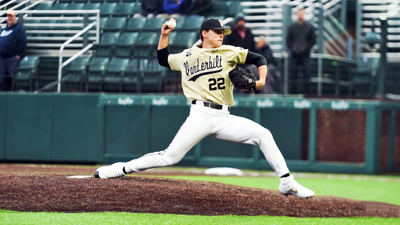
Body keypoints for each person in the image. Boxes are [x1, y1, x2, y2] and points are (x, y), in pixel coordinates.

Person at [94, 18, 314, 199]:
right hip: (199, 114)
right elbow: (163, 60)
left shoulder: (229, 51)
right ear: (204, 33)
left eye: (222, 32)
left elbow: (259, 58)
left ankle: (287, 182)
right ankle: (120, 169)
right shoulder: (187, 56)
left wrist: (261, 81)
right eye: (217, 32)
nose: (221, 35)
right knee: (170, 157)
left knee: (263, 134)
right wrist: (164, 35)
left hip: (224, 116)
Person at [285, 7, 316, 94]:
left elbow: (313, 40)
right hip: (294, 54)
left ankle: (307, 93)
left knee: (307, 73)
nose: (300, 15)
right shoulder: (291, 27)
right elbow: (288, 40)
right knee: (293, 74)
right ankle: (292, 93)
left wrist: (306, 49)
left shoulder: (310, 27)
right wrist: (293, 49)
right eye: (299, 13)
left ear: (304, 14)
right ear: (296, 15)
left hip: (305, 54)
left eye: (301, 13)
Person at [0, 10, 26, 91]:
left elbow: (23, 42)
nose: (10, 18)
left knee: (13, 78)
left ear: (15, 18)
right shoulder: (3, 30)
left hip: (12, 58)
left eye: (12, 16)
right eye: (9, 16)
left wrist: (18, 55)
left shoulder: (19, 29)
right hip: (2, 59)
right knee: (1, 79)